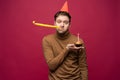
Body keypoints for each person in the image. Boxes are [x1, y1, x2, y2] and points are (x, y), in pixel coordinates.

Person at [42, 11, 88, 80]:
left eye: (65, 22)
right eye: (59, 21)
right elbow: (51, 65)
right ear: (54, 23)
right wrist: (67, 49)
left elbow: (83, 67)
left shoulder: (78, 41)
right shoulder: (47, 40)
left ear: (69, 25)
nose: (62, 25)